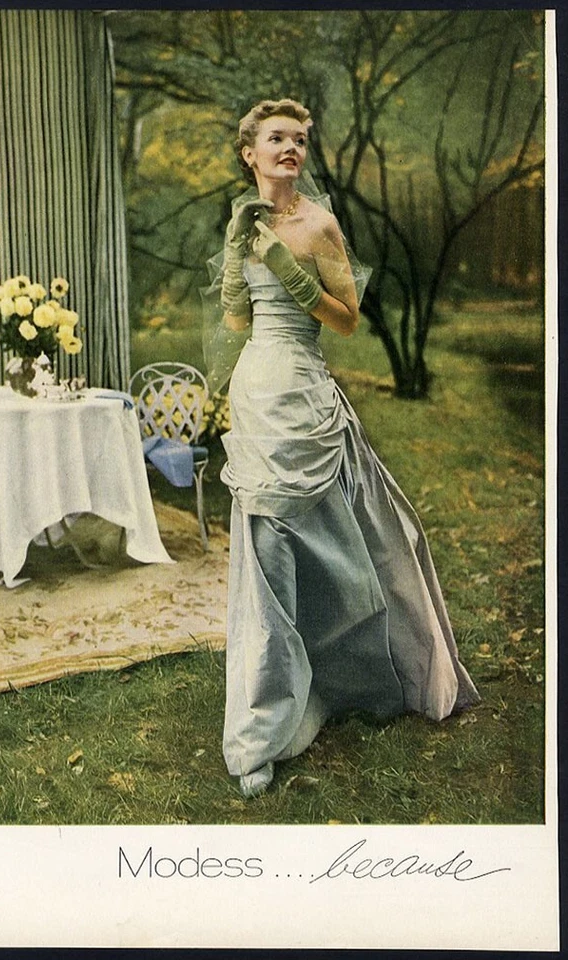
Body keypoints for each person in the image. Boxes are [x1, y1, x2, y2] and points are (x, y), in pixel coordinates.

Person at [212, 99, 479, 799]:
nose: (290, 149)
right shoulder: (243, 221)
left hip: (305, 388)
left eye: (299, 141)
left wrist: (294, 276)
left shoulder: (319, 223)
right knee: (267, 550)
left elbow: (350, 322)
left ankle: (346, 672)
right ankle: (263, 723)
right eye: (277, 139)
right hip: (258, 392)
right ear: (251, 153)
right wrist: (239, 258)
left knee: (342, 542)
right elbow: (237, 320)